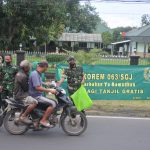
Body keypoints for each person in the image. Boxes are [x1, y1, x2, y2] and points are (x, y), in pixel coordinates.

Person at [29, 61, 56, 128]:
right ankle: (43, 120)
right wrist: (49, 90)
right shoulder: (35, 74)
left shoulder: (38, 73)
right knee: (53, 103)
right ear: (44, 67)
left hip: (37, 95)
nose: (46, 70)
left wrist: (46, 84)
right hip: (35, 96)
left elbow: (39, 82)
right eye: (46, 68)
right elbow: (37, 87)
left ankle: (41, 117)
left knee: (52, 101)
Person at [14, 60, 38, 124]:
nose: (29, 68)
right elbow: (25, 88)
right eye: (28, 67)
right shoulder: (23, 76)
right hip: (21, 95)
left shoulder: (20, 73)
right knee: (34, 102)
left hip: (19, 93)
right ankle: (24, 116)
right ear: (25, 68)